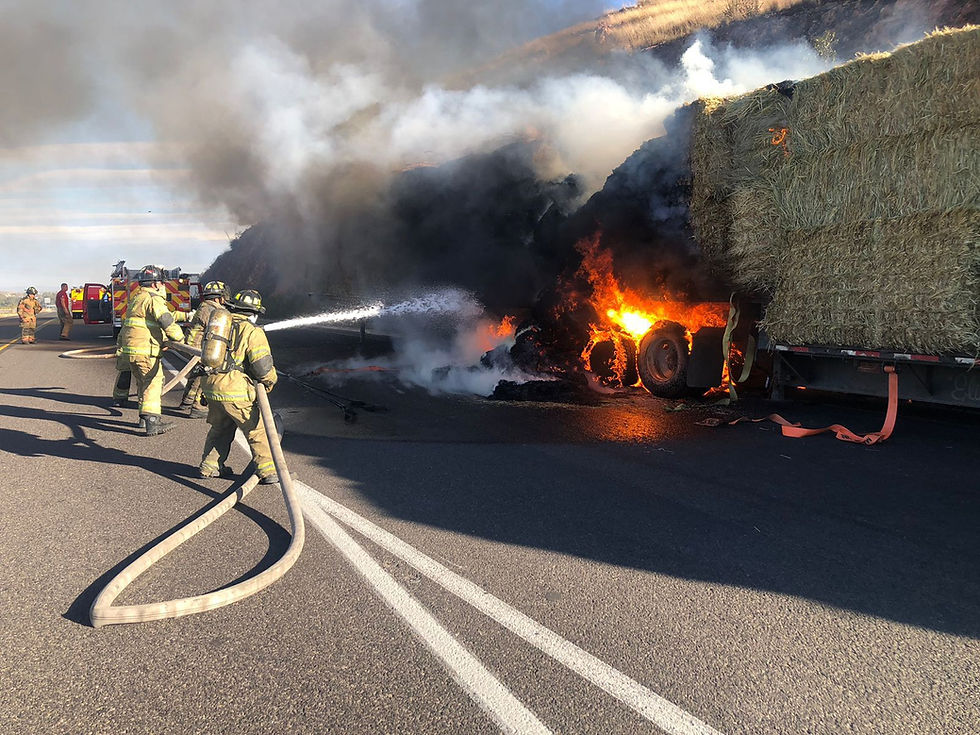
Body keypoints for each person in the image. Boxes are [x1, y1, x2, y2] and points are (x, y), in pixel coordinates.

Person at [199, 289, 278, 483]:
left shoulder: (216, 327)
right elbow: (263, 367)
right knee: (257, 429)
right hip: (233, 389)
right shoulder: (252, 331)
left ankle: (209, 467)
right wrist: (270, 382)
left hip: (210, 385)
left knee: (220, 428)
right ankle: (268, 472)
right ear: (254, 313)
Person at [111, 265, 186, 436]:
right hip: (145, 350)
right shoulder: (154, 298)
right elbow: (165, 320)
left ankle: (143, 421)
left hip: (132, 350)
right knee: (153, 383)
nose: (162, 286)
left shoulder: (137, 298)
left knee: (142, 384)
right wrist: (179, 338)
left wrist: (183, 316)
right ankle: (153, 422)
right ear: (155, 284)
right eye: (161, 283)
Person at [180, 280, 228, 418]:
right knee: (206, 374)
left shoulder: (205, 306)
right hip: (198, 347)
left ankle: (187, 401)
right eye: (223, 296)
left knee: (196, 373)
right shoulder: (211, 310)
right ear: (217, 297)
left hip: (193, 345)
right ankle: (198, 406)